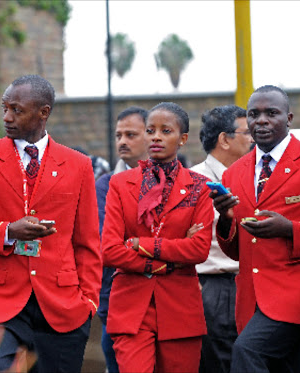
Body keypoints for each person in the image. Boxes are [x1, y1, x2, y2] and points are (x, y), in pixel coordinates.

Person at [0, 75, 102, 372]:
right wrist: (7, 231)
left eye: (16, 110)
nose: (7, 117)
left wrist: (89, 303)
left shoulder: (78, 164)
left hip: (63, 306)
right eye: (4, 108)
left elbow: (86, 241)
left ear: (43, 112)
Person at [211, 85, 300, 372]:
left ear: (288, 118)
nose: (261, 120)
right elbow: (237, 251)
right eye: (253, 114)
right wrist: (226, 218)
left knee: (247, 352)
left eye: (271, 113)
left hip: (299, 295)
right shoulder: (234, 172)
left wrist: (290, 229)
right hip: (253, 299)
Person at [101, 102, 214, 372]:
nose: (156, 137)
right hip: (130, 308)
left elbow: (198, 250)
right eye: (150, 130)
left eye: (166, 131)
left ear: (183, 139)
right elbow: (109, 251)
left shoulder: (199, 187)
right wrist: (163, 262)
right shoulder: (120, 184)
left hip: (179, 308)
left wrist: (142, 245)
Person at [191, 105, 253, 373]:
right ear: (225, 140)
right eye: (246, 132)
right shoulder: (195, 182)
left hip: (250, 283)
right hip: (214, 287)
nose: (253, 138)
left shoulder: (251, 176)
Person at [96, 106, 148, 373]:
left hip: (165, 300)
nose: (122, 141)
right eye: (118, 135)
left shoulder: (179, 180)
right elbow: (109, 245)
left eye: (131, 134)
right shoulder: (104, 185)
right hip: (115, 301)